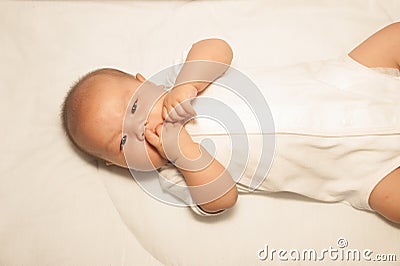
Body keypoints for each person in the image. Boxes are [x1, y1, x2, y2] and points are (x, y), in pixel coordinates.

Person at [61, 23, 400, 223]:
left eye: (135, 106)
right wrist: (185, 154)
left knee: (392, 38)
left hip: (348, 81)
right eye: (122, 142)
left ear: (146, 82)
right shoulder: (172, 175)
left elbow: (217, 47)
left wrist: (187, 84)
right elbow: (222, 200)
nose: (138, 130)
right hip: (360, 171)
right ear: (118, 165)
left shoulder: (185, 79)